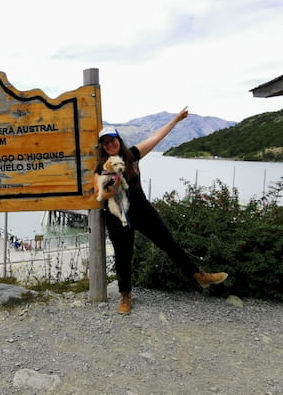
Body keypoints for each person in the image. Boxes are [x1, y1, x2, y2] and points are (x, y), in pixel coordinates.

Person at [94, 107, 228, 315]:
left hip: (142, 211)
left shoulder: (132, 156)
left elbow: (156, 137)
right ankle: (125, 296)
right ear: (103, 147)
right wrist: (112, 179)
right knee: (123, 256)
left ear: (119, 140)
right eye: (106, 142)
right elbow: (101, 193)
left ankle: (199, 276)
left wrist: (175, 120)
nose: (111, 144)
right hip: (117, 217)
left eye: (113, 140)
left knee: (168, 242)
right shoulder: (101, 168)